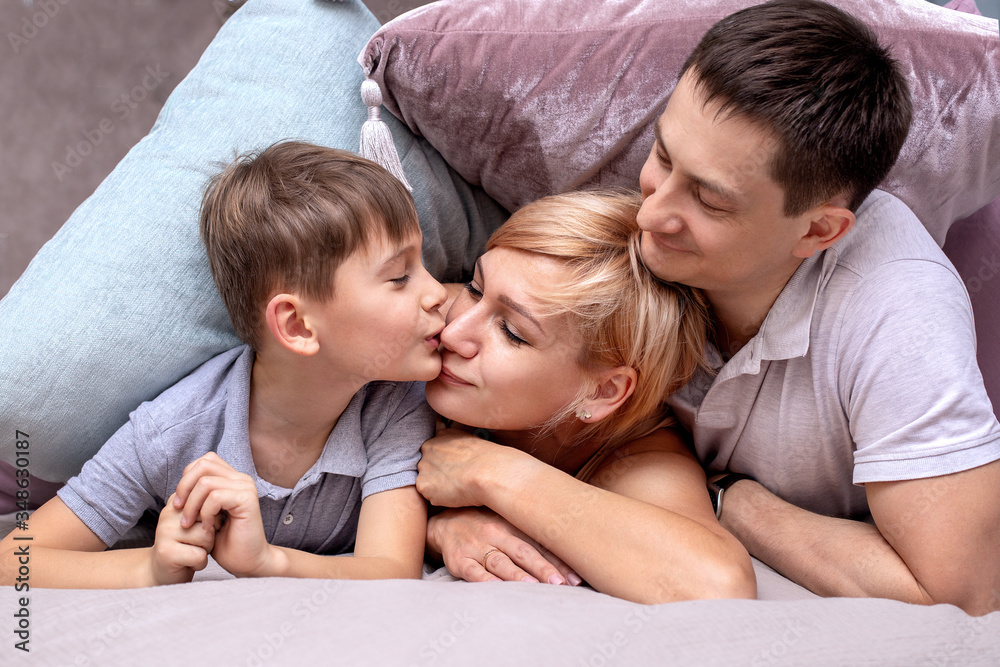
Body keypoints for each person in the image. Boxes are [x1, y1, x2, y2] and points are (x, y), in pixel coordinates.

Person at [632, 0, 1000, 614]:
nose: (648, 215)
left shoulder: (900, 309)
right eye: (663, 156)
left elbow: (961, 593)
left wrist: (729, 501)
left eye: (710, 201)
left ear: (819, 231)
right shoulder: (651, 230)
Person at [0, 141, 447, 588]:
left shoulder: (398, 405)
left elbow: (391, 572)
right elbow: (13, 560)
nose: (439, 292)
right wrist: (149, 568)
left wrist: (268, 561)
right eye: (400, 277)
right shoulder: (172, 433)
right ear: (297, 326)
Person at [415, 189, 757, 604]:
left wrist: (490, 473)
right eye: (474, 286)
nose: (451, 333)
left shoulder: (636, 459)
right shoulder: (421, 318)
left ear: (602, 392)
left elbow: (717, 585)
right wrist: (436, 524)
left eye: (513, 332)